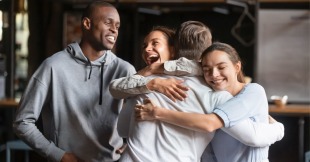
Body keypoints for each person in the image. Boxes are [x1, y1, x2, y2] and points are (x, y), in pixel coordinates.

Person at [110, 22, 284, 162]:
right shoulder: (218, 96)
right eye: (208, 68)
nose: (214, 74)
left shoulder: (146, 84)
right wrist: (279, 129)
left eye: (155, 43)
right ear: (205, 55)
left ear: (174, 50)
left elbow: (123, 128)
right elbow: (253, 136)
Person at [13, 1, 135, 162]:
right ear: (86, 23)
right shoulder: (53, 67)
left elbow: (148, 115)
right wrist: (58, 155)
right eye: (108, 23)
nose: (114, 29)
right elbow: (22, 122)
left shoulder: (125, 70)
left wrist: (133, 144)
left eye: (117, 26)